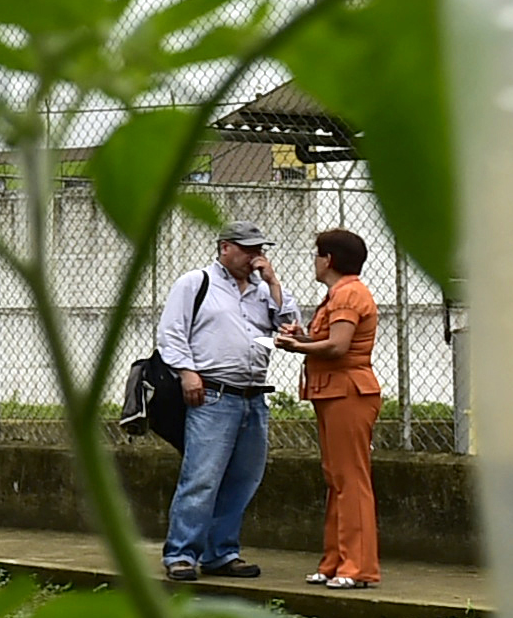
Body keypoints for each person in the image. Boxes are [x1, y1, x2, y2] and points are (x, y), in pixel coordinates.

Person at [155, 222, 304, 583]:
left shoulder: (260, 291)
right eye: (248, 248)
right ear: (225, 248)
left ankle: (221, 552)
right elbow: (171, 332)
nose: (256, 255)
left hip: (252, 395)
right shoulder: (196, 283)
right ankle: (181, 553)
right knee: (202, 477)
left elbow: (293, 325)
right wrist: (187, 372)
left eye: (260, 249)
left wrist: (273, 283)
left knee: (243, 478)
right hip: (213, 394)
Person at [272, 228, 384, 590]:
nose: (315, 261)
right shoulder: (338, 295)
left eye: (317, 254)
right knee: (337, 477)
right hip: (333, 392)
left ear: (329, 259)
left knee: (350, 480)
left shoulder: (348, 294)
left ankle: (357, 566)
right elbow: (329, 341)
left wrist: (296, 346)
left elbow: (337, 347)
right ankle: (335, 561)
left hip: (348, 392)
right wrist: (303, 337)